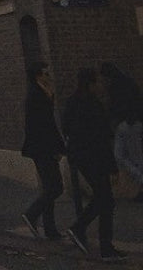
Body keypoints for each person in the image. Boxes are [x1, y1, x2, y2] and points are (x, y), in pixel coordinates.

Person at [63, 67, 125, 261]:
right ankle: (101, 244)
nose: (99, 86)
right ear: (91, 83)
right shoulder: (94, 104)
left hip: (80, 157)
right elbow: (102, 138)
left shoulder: (72, 102)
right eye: (96, 82)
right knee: (106, 199)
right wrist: (113, 167)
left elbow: (65, 127)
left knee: (102, 198)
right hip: (96, 158)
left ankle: (83, 231)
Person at [20, 62, 65, 239]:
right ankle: (31, 214)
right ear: (38, 76)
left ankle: (50, 228)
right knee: (56, 187)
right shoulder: (36, 96)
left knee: (49, 187)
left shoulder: (42, 92)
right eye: (46, 73)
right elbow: (45, 125)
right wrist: (58, 146)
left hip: (43, 148)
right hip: (42, 149)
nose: (49, 75)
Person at [112, 98, 143, 199]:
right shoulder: (122, 129)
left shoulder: (138, 127)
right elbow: (120, 156)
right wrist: (136, 172)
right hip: (129, 173)